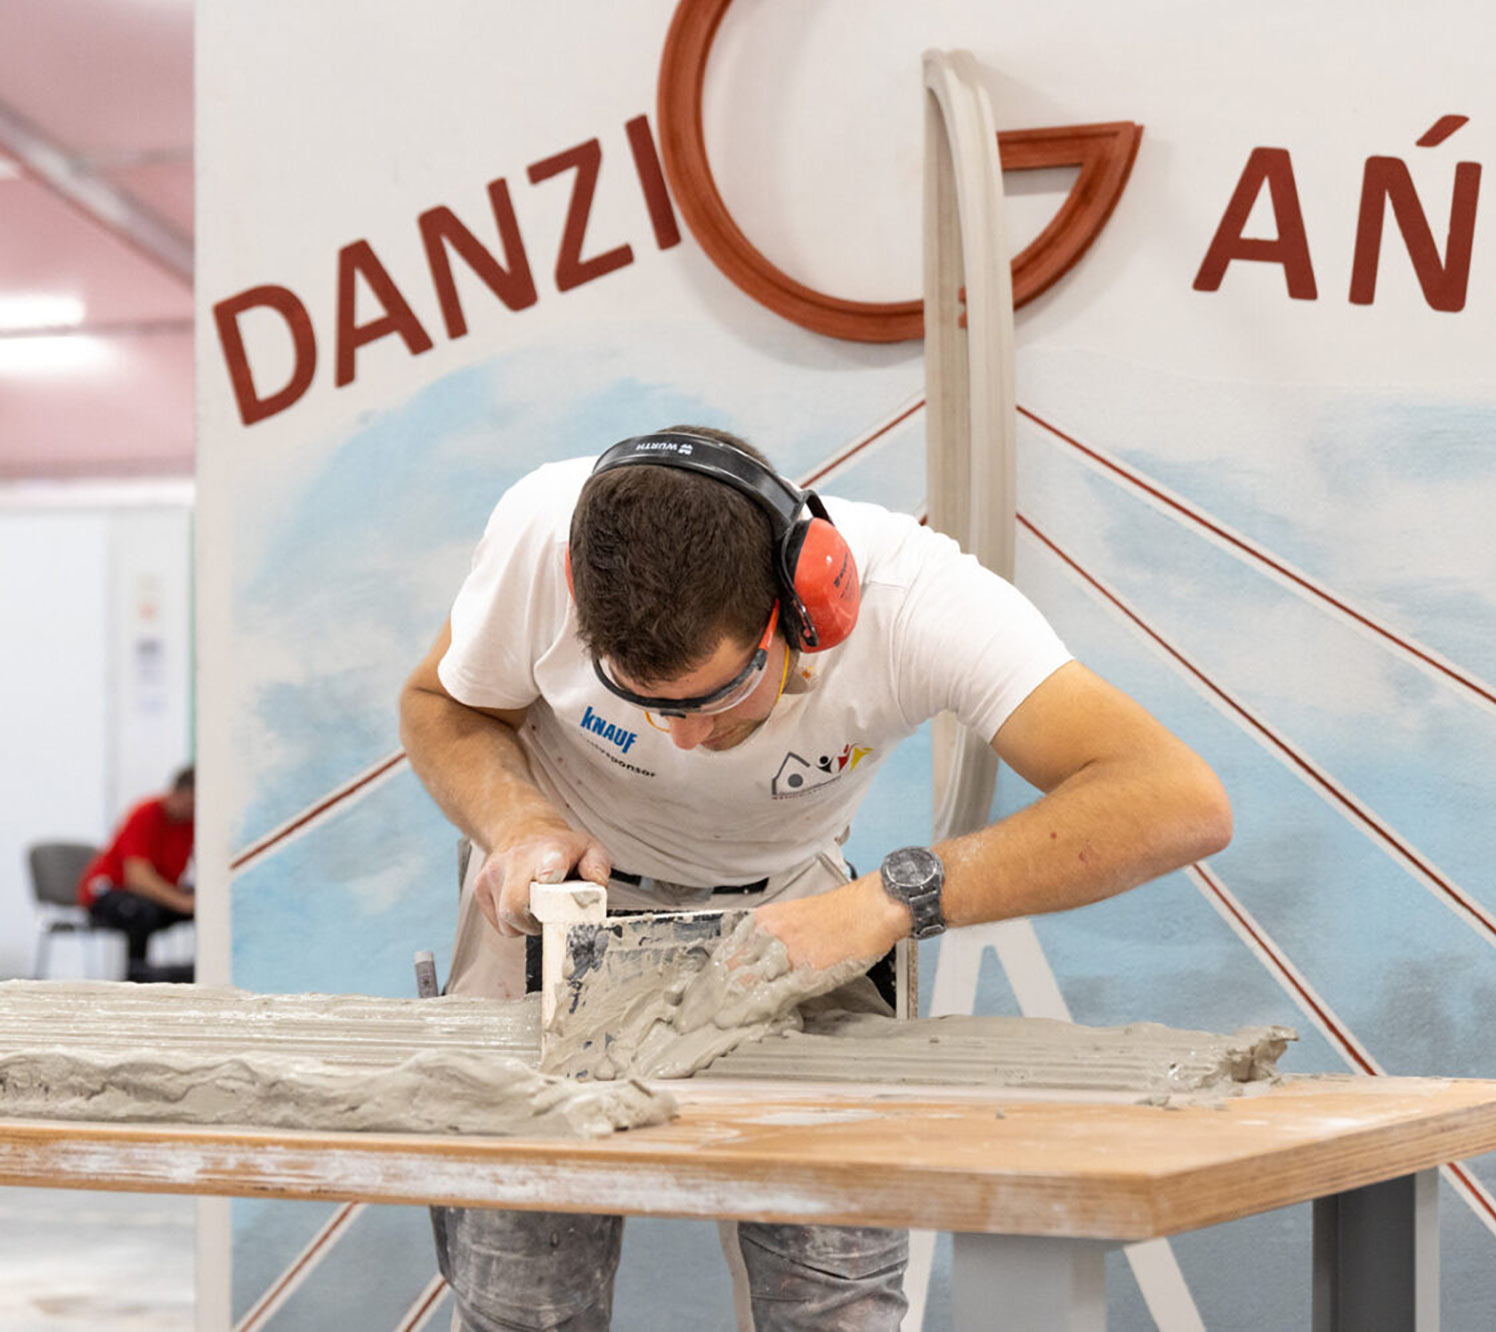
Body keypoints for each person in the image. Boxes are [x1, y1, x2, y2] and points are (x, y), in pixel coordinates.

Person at [399, 425, 1231, 1332]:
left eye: (718, 694)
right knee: (522, 1304)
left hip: (799, 911)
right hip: (558, 912)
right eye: (645, 702)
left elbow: (1177, 798)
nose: (685, 738)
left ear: (808, 608)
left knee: (837, 1307)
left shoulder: (912, 602)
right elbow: (444, 704)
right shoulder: (538, 535)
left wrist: (894, 898)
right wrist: (516, 822)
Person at [78, 765, 196, 983]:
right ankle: (136, 978)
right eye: (190, 803)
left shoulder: (192, 823)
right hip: (109, 893)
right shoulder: (146, 813)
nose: (192, 810)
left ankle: (202, 972)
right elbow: (138, 879)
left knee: (210, 906)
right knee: (140, 910)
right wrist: (182, 902)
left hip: (157, 896)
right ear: (175, 793)